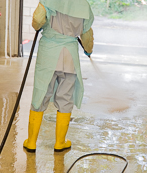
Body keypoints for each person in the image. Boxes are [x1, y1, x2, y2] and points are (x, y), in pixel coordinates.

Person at [23, 0, 94, 153]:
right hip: (70, 55)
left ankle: (31, 142)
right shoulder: (84, 5)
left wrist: (40, 26)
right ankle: (60, 142)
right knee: (65, 97)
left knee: (40, 93)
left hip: (49, 54)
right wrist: (88, 49)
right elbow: (87, 35)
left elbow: (37, 20)